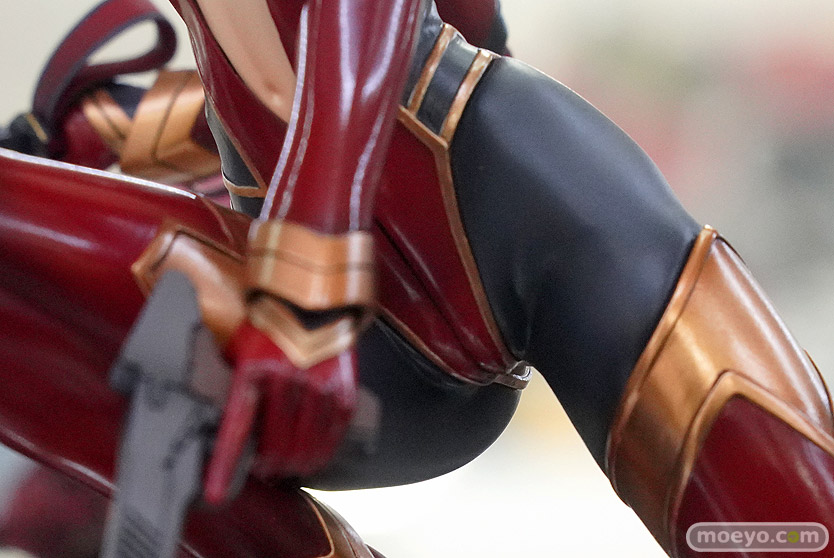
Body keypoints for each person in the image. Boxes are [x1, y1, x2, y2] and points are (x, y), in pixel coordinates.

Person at [0, 1, 833, 557]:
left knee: (793, 533)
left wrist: (306, 286)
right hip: (365, 340)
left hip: (531, 211)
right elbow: (283, 82)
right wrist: (129, 126)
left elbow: (399, 40)